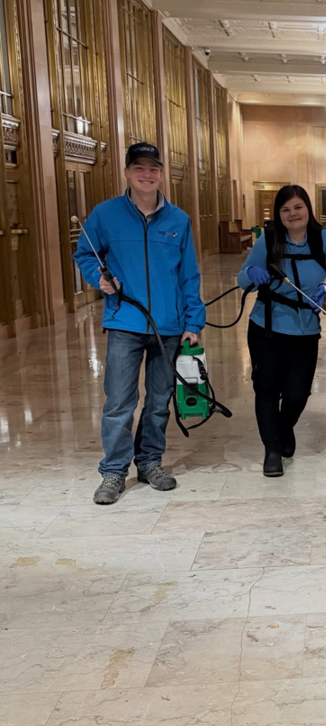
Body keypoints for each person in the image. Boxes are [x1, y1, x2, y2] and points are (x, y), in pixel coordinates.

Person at [74, 142, 205, 504]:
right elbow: (85, 253)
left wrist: (194, 321)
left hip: (169, 325)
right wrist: (97, 278)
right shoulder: (105, 215)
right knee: (119, 402)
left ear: (162, 174)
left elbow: (189, 276)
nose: (147, 175)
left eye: (153, 169)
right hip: (124, 322)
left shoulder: (179, 220)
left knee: (160, 400)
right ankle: (114, 472)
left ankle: (150, 462)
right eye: (139, 168)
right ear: (128, 172)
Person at [238, 185, 326, 477]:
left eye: (298, 207)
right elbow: (242, 275)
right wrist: (252, 273)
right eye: (285, 209)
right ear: (278, 213)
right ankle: (272, 450)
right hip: (266, 326)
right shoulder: (270, 239)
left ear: (308, 209)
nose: (292, 214)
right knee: (265, 388)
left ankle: (283, 427)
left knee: (297, 394)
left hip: (305, 329)